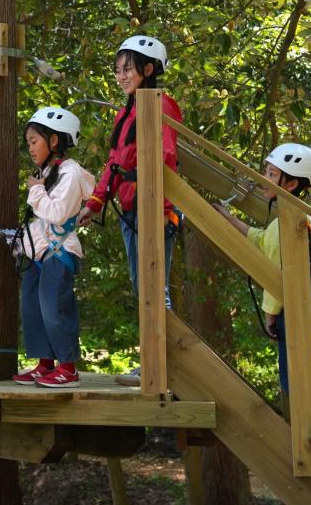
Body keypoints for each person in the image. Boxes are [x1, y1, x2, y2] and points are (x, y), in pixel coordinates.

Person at [212, 143, 311, 468]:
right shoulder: (294, 215)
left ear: (290, 184)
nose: (263, 178)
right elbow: (261, 239)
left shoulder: (287, 221)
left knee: (301, 377)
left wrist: (271, 314)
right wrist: (229, 218)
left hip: (297, 304)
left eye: (271, 174)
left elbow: (278, 275)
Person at [76, 34, 183, 384]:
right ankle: (157, 361)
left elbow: (165, 155)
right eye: (118, 70)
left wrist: (153, 199)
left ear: (148, 70)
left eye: (128, 69)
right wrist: (96, 201)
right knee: (144, 288)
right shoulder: (128, 111)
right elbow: (114, 162)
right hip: (133, 210)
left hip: (152, 207)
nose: (121, 76)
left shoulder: (159, 104)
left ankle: (162, 365)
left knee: (155, 287)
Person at [12, 107, 95, 388]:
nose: (30, 148)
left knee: (54, 307)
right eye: (28, 143)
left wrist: (35, 190)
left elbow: (58, 213)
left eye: (34, 141)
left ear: (55, 140)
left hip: (60, 252)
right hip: (41, 252)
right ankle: (45, 364)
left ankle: (68, 368)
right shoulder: (48, 172)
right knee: (32, 306)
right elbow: (43, 221)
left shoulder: (69, 173)